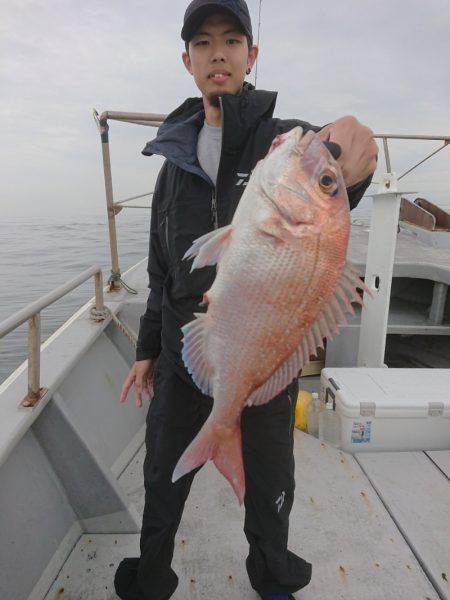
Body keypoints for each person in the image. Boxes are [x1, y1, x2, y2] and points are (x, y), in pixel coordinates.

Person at [114, 1, 378, 599]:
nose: (218, 54)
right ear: (187, 61)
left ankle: (274, 578)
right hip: (189, 350)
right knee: (162, 477)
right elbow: (162, 268)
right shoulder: (173, 162)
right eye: (203, 44)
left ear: (251, 55)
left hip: (266, 355)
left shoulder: (285, 142)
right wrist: (148, 349)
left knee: (270, 481)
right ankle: (151, 580)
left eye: (232, 40)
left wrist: (344, 166)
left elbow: (331, 196)